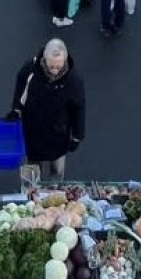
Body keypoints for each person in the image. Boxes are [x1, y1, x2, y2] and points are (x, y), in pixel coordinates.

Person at [8, 38, 85, 182]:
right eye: (51, 66)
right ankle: (30, 194)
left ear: (65, 60)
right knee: (31, 167)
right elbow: (21, 84)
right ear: (44, 58)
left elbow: (79, 108)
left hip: (58, 133)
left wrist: (77, 136)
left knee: (56, 169)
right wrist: (16, 108)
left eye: (58, 66)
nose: (55, 71)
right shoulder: (31, 68)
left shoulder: (74, 80)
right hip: (32, 128)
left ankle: (55, 193)